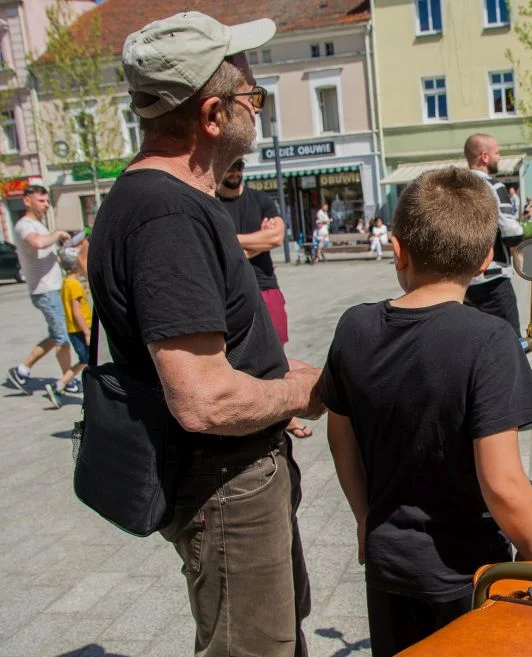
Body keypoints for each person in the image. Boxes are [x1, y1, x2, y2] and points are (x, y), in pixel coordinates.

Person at [87, 12, 324, 656]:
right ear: (213, 115)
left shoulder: (176, 202)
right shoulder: (167, 214)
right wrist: (296, 392)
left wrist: (274, 370)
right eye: (254, 95)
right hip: (227, 488)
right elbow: (204, 399)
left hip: (238, 478)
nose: (259, 104)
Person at [319, 167, 532, 657]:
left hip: (388, 565)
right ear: (486, 259)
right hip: (468, 573)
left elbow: (342, 439)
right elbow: (503, 483)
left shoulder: (354, 327)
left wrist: (365, 518)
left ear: (397, 250)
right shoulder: (488, 340)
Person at [218, 159, 312, 439]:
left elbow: (277, 236)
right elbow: (212, 245)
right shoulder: (211, 203)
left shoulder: (260, 200)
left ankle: (287, 414)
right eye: (230, 166)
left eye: (239, 167)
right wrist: (254, 242)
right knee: (233, 355)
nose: (234, 172)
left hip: (265, 285)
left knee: (274, 351)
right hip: (227, 290)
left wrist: (230, 241)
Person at [6, 185, 76, 396]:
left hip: (53, 288)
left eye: (47, 201)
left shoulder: (39, 225)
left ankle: (23, 370)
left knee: (56, 336)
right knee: (62, 337)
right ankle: (64, 381)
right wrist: (58, 234)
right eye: (41, 201)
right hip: (44, 290)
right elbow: (37, 243)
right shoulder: (25, 225)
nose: (46, 205)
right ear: (27, 201)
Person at [463, 134, 525, 335]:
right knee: (510, 341)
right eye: (497, 153)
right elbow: (510, 229)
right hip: (494, 279)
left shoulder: (455, 188)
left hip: (463, 282)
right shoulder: (493, 187)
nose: (499, 157)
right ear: (484, 156)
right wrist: (520, 256)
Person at [44, 247, 90, 409]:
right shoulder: (75, 285)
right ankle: (59, 385)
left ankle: (62, 385)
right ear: (77, 263)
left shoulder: (68, 283)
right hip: (80, 330)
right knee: (86, 360)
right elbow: (77, 311)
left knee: (87, 360)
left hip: (73, 330)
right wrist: (87, 332)